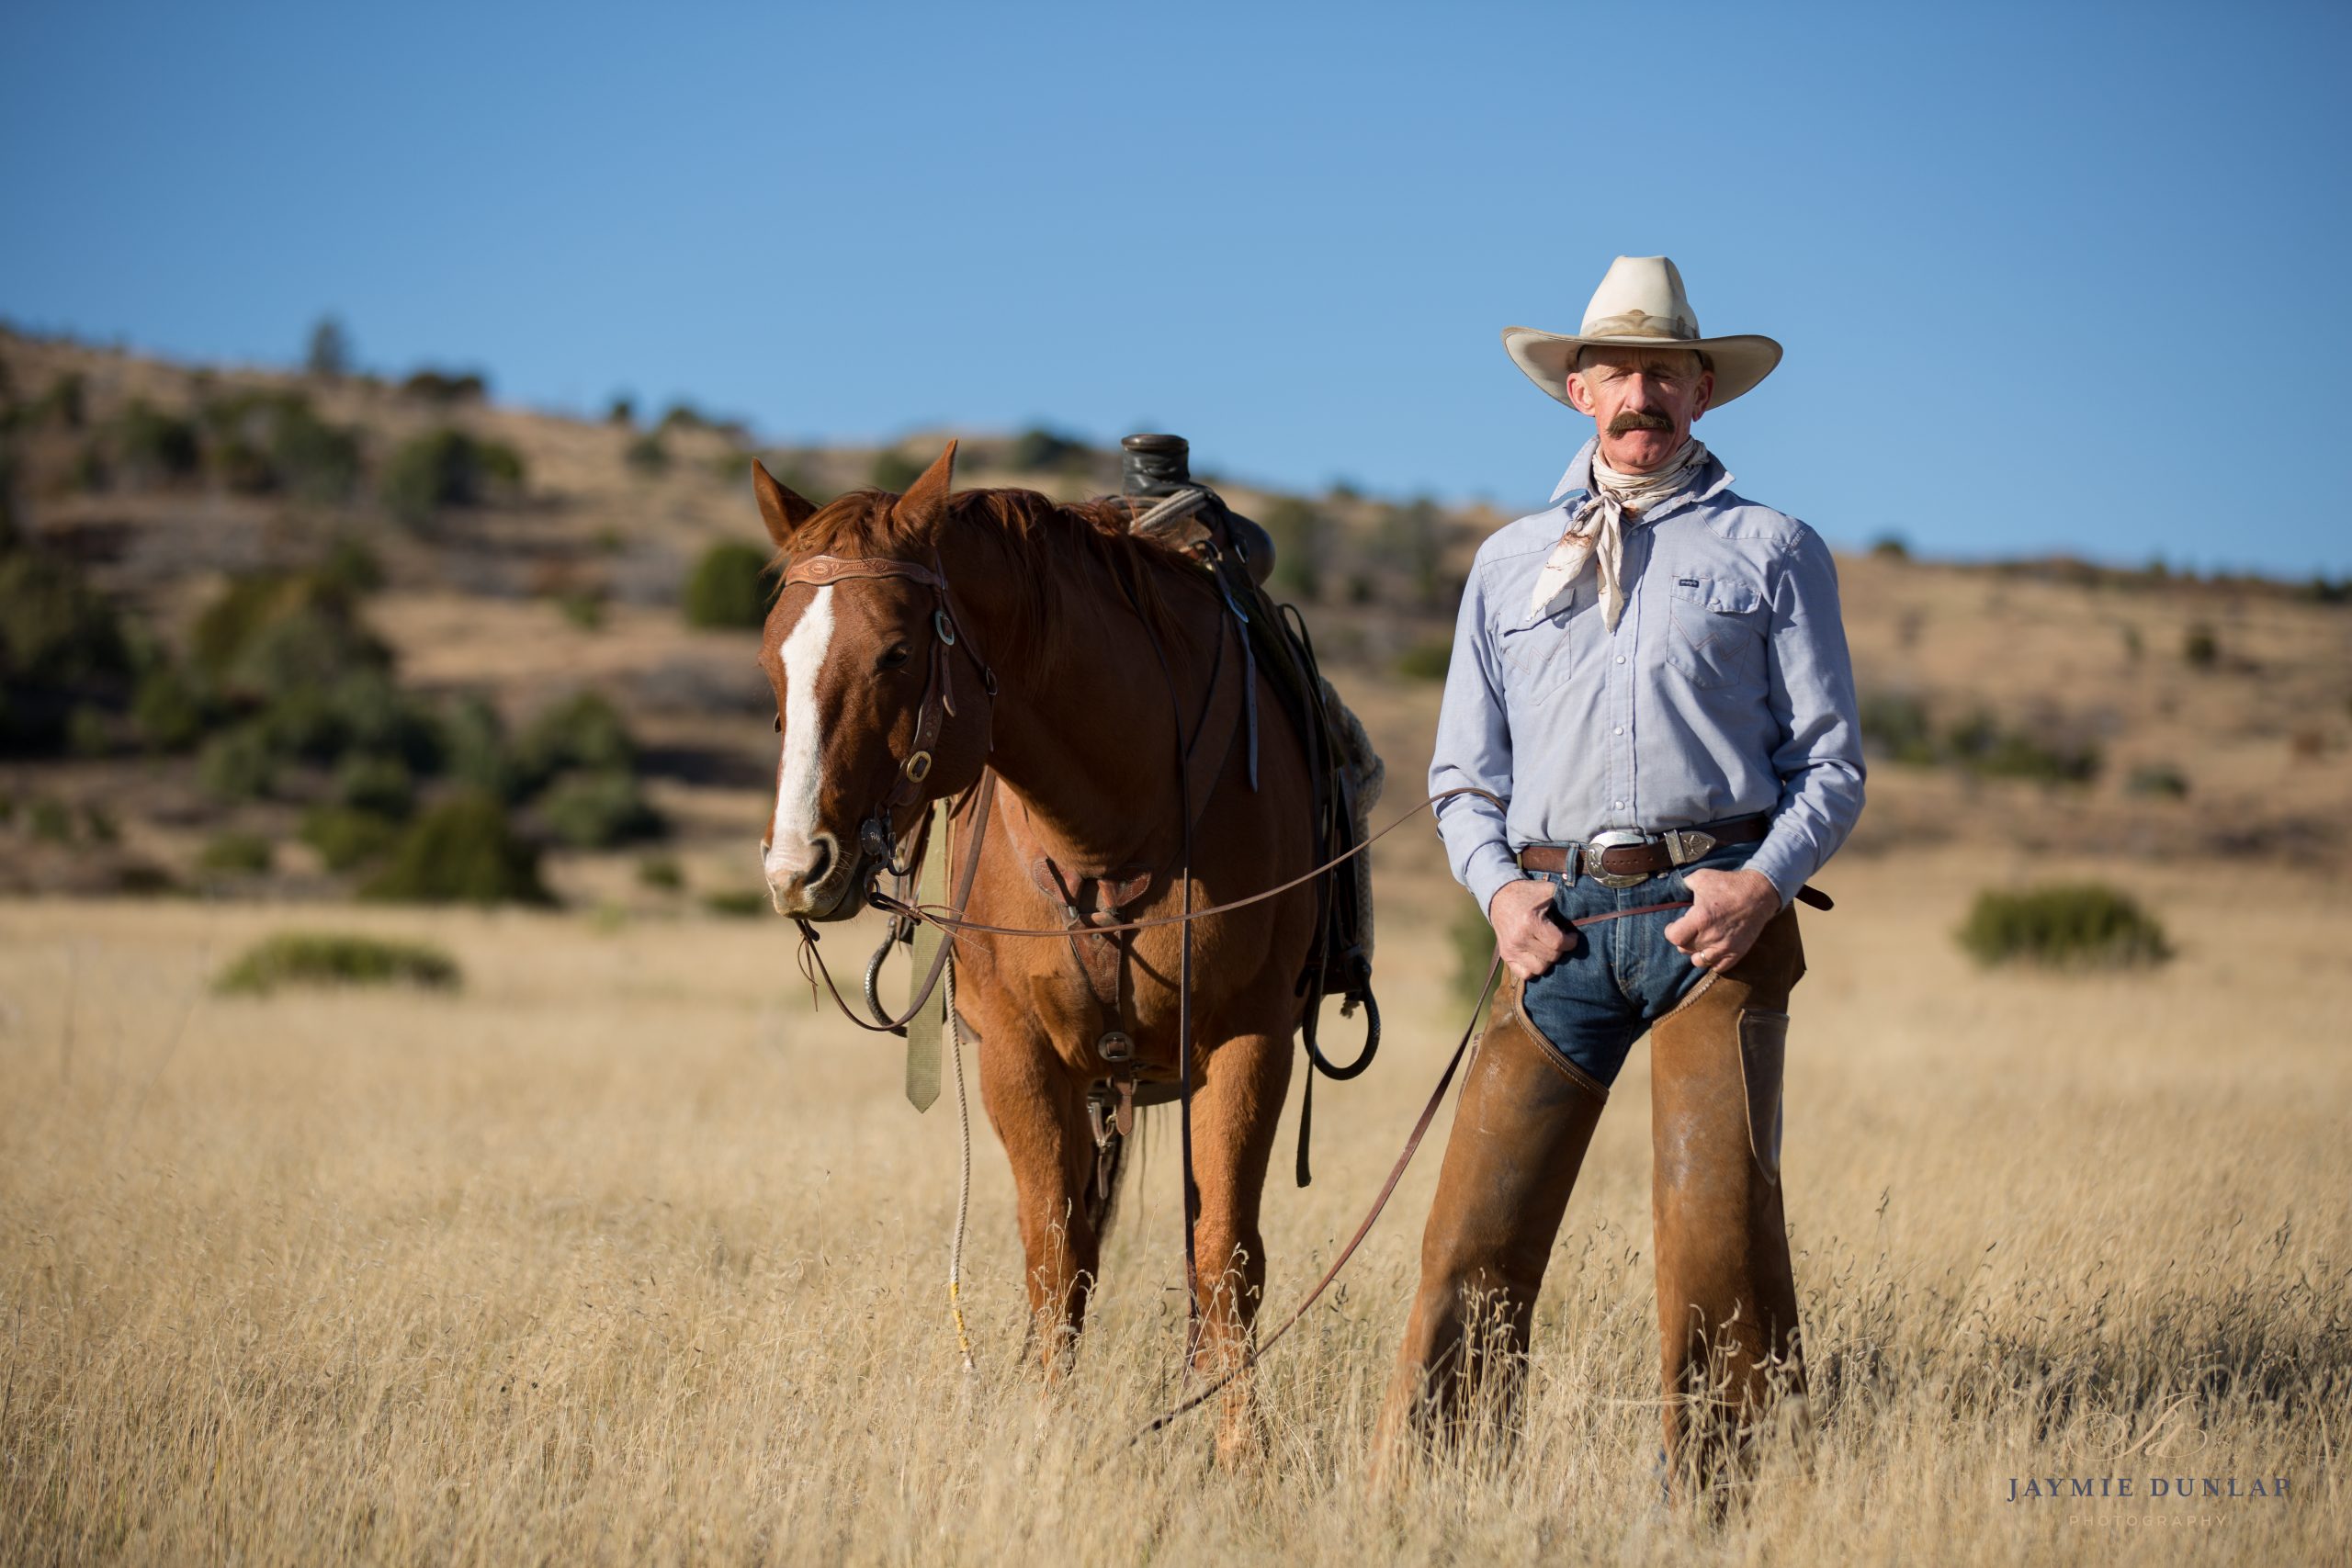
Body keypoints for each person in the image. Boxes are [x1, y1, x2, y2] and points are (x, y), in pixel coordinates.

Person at [1377, 255, 1865, 1492]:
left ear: (1702, 391)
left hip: (1717, 920)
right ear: (1577, 391)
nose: (1640, 393)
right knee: (1471, 1232)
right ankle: (1431, 1505)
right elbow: (1458, 777)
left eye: (1665, 371)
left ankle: (1725, 1507)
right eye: (1617, 372)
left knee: (1715, 1233)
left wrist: (1758, 887)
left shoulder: (1774, 548)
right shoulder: (1504, 565)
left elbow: (1833, 766)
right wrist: (1498, 893)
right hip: (1555, 931)